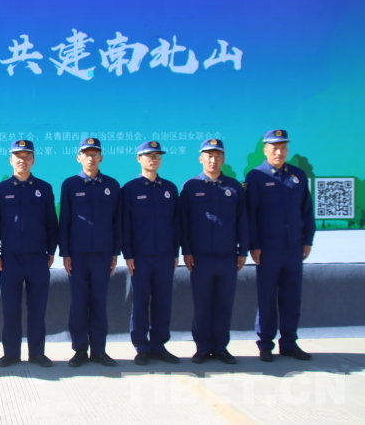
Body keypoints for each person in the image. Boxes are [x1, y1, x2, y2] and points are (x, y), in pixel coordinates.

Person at [246, 129, 314, 362]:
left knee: (291, 298)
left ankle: (289, 343)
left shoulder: (298, 175)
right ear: (265, 150)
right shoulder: (256, 176)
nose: (279, 152)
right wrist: (254, 245)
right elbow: (251, 214)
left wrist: (307, 240)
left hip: (294, 248)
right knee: (267, 298)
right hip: (268, 249)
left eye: (283, 148)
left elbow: (306, 210)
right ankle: (265, 344)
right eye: (274, 148)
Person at [0, 140, 58, 368]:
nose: (23, 161)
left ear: (33, 160)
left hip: (38, 258)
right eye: (18, 157)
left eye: (27, 157)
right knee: (10, 309)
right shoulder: (0, 190)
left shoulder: (44, 188)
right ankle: (11, 353)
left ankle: (37, 352)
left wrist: (51, 251)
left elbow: (51, 223)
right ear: (11, 160)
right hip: (9, 259)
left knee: (37, 308)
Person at [179, 139, 248, 365]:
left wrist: (242, 251)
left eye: (218, 156)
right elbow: (184, 222)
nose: (213, 160)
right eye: (209, 156)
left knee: (224, 305)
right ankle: (202, 348)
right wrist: (187, 251)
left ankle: (220, 348)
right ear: (201, 158)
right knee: (202, 306)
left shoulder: (234, 187)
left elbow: (242, 221)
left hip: (228, 257)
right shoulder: (191, 186)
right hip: (200, 258)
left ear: (223, 159)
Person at [59, 138, 121, 368]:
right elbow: (65, 220)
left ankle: (99, 350)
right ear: (79, 157)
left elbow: (117, 221)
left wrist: (115, 252)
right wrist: (65, 253)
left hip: (103, 254)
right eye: (87, 154)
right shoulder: (70, 184)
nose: (91, 158)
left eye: (95, 154)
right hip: (78, 254)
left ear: (101, 158)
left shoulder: (112, 184)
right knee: (79, 303)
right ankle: (79, 350)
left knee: (99, 303)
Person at [121, 141, 180, 366]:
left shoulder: (170, 188)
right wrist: (128, 254)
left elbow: (176, 223)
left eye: (157, 156)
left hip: (165, 255)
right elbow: (125, 224)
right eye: (148, 156)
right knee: (140, 302)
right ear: (139, 159)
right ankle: (141, 347)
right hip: (140, 256)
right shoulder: (130, 189)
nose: (153, 159)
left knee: (163, 302)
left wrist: (175, 253)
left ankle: (159, 345)